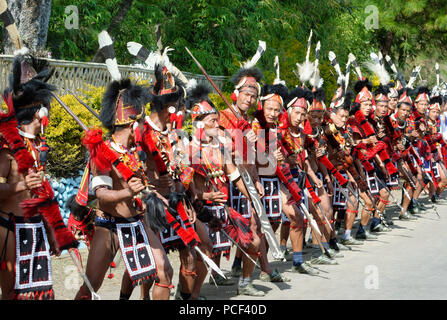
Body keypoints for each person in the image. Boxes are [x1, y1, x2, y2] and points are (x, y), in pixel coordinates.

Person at [0, 52, 78, 300]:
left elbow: (41, 195)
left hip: (36, 229)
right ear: (39, 114)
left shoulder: (37, 147)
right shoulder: (6, 145)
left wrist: (53, 230)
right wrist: (20, 185)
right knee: (13, 294)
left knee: (43, 295)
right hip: (10, 228)